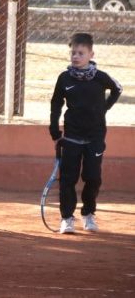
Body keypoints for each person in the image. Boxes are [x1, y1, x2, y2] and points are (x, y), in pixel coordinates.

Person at [49, 33, 122, 235]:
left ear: (91, 54)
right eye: (73, 52)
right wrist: (54, 128)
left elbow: (117, 89)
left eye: (81, 53)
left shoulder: (100, 77)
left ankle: (88, 213)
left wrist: (104, 108)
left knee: (93, 177)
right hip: (71, 136)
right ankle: (67, 218)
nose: (76, 56)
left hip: (95, 137)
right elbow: (56, 103)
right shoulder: (64, 78)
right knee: (68, 179)